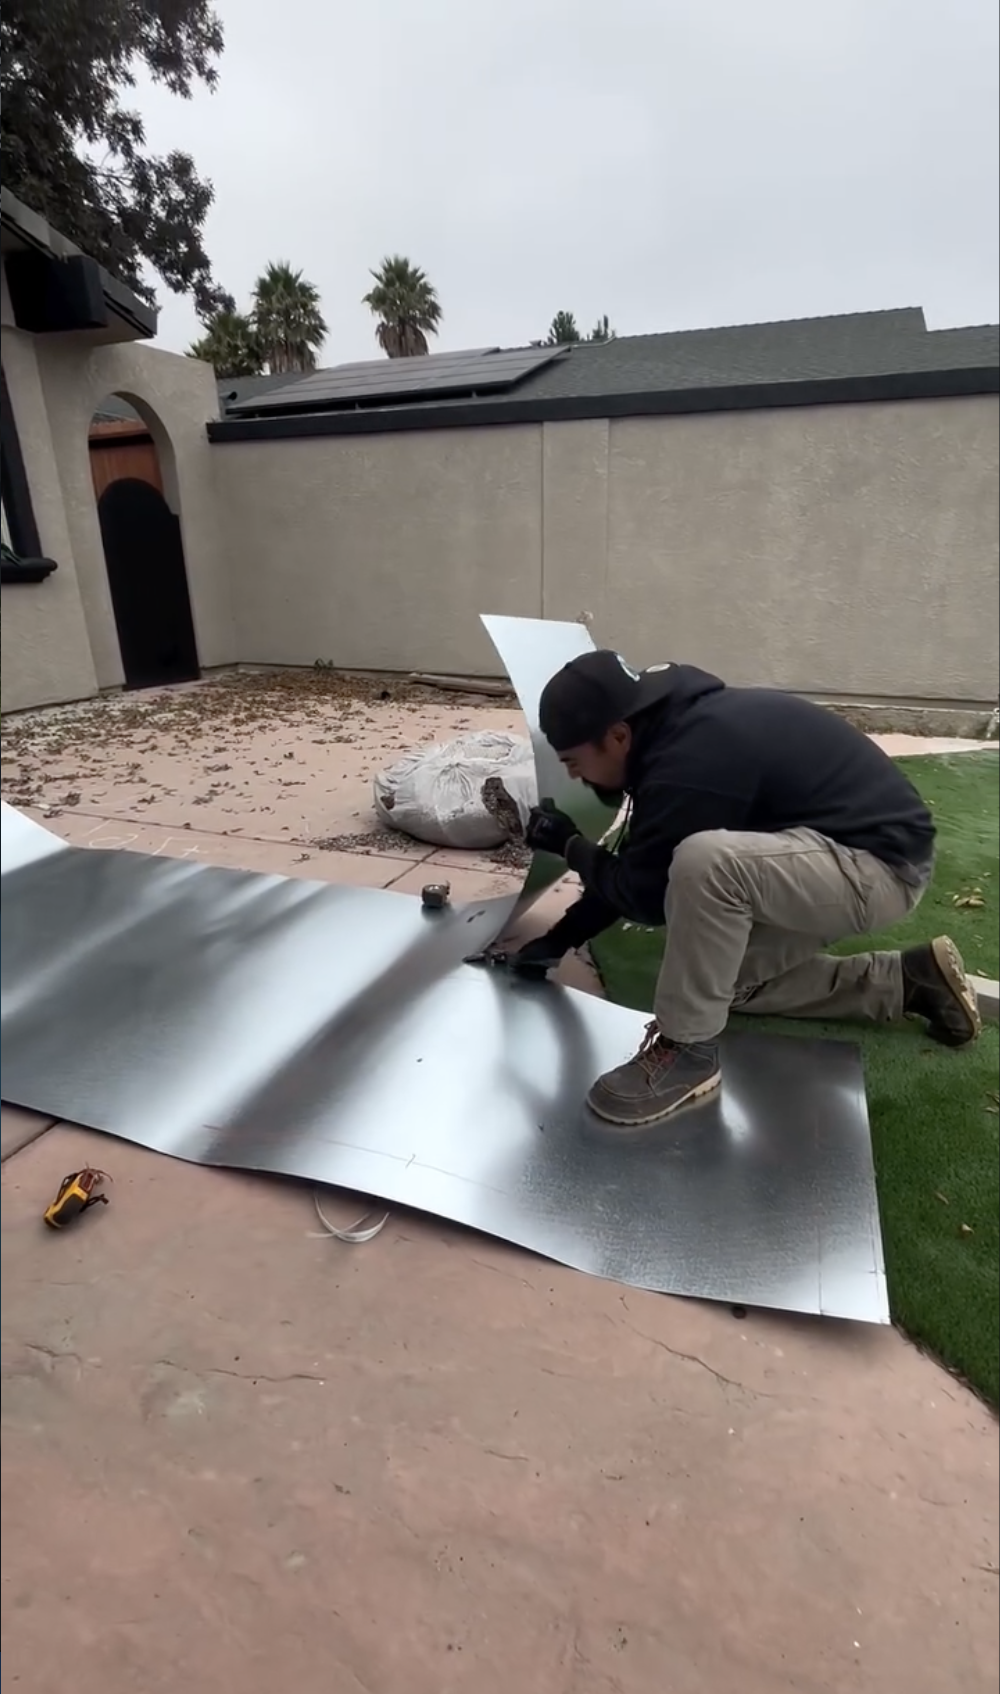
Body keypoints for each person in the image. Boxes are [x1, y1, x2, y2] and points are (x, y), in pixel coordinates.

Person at [511, 650, 981, 1129]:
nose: (573, 776)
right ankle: (909, 982)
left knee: (704, 863)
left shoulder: (689, 761)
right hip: (828, 851)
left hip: (877, 869)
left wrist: (570, 846)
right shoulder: (673, 726)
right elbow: (640, 864)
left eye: (573, 761)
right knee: (715, 985)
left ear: (617, 735)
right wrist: (558, 939)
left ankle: (687, 1052)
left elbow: (646, 897)